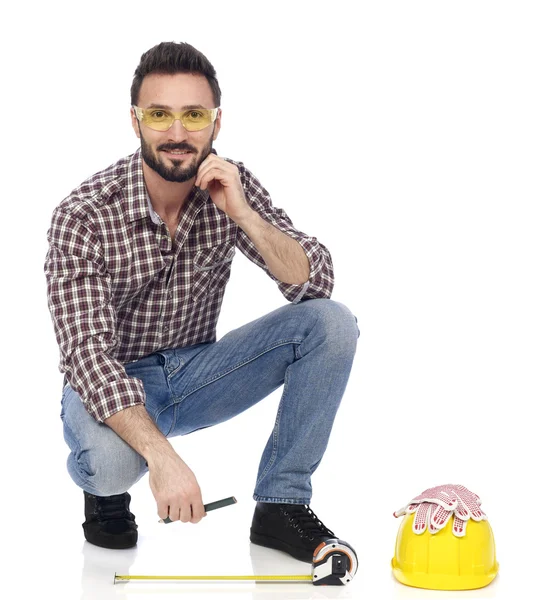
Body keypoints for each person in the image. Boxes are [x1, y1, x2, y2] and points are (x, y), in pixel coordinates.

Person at [44, 41, 359, 561]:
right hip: (111, 380)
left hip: (196, 375)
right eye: (159, 115)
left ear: (216, 122)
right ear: (135, 121)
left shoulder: (229, 185)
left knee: (331, 325)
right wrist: (163, 458)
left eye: (192, 115)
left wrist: (244, 215)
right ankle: (106, 494)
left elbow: (314, 285)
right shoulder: (83, 215)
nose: (176, 133)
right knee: (110, 464)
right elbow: (86, 355)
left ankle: (280, 505)